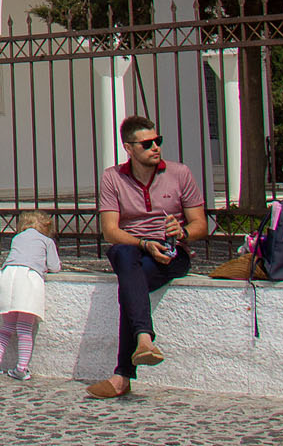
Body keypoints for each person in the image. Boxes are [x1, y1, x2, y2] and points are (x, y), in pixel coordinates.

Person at [87, 115, 207, 399]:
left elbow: (200, 225)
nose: (155, 147)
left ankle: (125, 371)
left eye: (158, 141)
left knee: (131, 285)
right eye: (147, 144)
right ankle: (142, 342)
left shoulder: (180, 174)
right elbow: (110, 231)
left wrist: (183, 232)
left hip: (171, 252)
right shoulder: (112, 177)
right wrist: (144, 243)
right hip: (133, 249)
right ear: (129, 148)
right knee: (126, 255)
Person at [0, 210, 61, 379]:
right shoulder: (47, 241)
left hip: (8, 276)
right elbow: (55, 266)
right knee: (24, 328)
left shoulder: (17, 238)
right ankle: (21, 368)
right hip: (28, 279)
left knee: (7, 327)